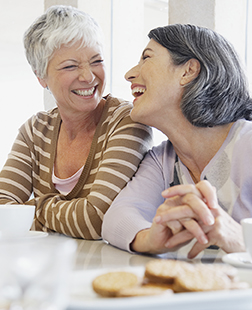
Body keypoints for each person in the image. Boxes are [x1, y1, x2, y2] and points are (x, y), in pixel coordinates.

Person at [0, 5, 152, 239]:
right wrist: (71, 215)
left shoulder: (126, 121)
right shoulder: (35, 131)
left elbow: (97, 220)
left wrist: (35, 207)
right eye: (71, 66)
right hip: (46, 269)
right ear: (41, 77)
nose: (88, 76)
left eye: (96, 61)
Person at [102, 24, 252, 259]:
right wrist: (150, 238)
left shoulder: (248, 145)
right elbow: (116, 219)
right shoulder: (162, 159)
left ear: (188, 71)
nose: (130, 74)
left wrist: (241, 240)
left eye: (146, 58)